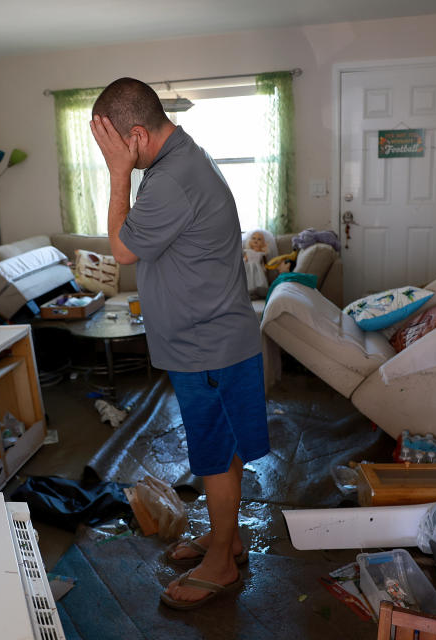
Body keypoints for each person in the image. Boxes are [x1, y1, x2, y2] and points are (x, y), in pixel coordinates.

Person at [89, 77, 269, 610]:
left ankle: (221, 566)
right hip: (214, 337)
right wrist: (125, 166)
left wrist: (117, 176)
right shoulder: (184, 157)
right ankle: (227, 542)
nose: (109, 156)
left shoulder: (167, 179)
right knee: (225, 447)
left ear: (137, 135)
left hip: (206, 344)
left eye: (112, 146)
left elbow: (121, 250)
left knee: (213, 456)